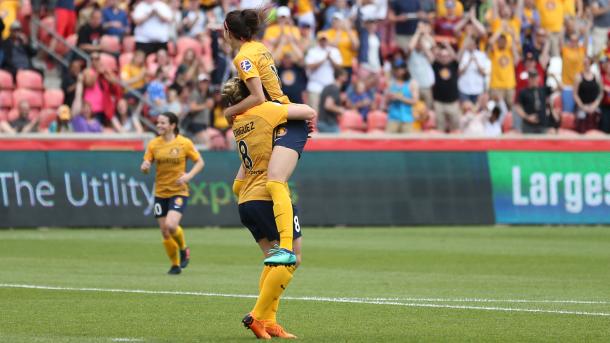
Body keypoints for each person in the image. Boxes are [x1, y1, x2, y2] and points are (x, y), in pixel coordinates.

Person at [221, 77, 315, 340]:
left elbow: (239, 181)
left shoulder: (238, 123)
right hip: (268, 199)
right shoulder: (265, 110)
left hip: (248, 202)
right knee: (292, 258)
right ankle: (257, 315)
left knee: (274, 260)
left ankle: (269, 322)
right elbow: (308, 112)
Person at [223, 8, 311, 264]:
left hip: (280, 116)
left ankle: (284, 246)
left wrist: (231, 110)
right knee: (242, 185)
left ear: (229, 31)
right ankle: (265, 302)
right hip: (280, 116)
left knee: (274, 181)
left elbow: (258, 97)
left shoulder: (242, 57)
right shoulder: (258, 47)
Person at [140, 112, 204, 275]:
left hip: (178, 191)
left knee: (171, 225)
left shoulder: (184, 143)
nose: (159, 125)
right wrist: (145, 167)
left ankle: (183, 249)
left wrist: (189, 176)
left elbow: (200, 162)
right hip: (160, 193)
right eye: (158, 123)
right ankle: (175, 265)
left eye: (163, 123)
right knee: (164, 231)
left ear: (172, 125)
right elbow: (146, 164)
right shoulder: (154, 144)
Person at [386, 64, 419, 133]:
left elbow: (415, 101)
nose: (399, 72)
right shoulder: (391, 83)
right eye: (397, 69)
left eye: (401, 69)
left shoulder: (412, 83)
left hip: (406, 118)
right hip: (393, 118)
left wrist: (400, 98)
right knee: (389, 142)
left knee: (407, 142)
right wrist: (390, 98)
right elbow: (386, 102)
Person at [317, 68, 348, 132]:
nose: (347, 79)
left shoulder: (328, 87)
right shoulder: (334, 89)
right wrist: (340, 110)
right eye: (345, 76)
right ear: (340, 77)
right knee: (340, 140)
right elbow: (328, 105)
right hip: (328, 124)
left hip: (322, 122)